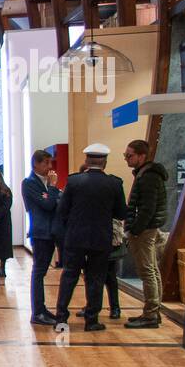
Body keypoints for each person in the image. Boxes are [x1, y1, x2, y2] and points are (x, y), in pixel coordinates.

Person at [52, 143, 128, 333]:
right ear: (105, 162)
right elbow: (120, 213)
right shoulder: (114, 183)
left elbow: (62, 210)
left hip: (75, 237)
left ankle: (61, 319)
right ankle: (92, 320)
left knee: (69, 276)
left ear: (86, 161)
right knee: (96, 278)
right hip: (100, 238)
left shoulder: (74, 181)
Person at [123, 139, 169, 329]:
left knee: (147, 271)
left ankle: (150, 314)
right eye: (125, 155)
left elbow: (147, 208)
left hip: (145, 229)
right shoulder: (146, 174)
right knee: (152, 269)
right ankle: (152, 311)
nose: (126, 159)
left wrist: (135, 229)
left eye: (129, 155)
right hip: (149, 227)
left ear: (142, 156)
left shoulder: (148, 176)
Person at [21, 150, 60, 325]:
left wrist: (51, 192)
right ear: (36, 164)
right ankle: (37, 312)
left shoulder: (45, 183)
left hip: (50, 232)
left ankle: (42, 308)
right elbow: (48, 204)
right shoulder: (29, 183)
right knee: (38, 272)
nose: (49, 167)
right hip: (40, 232)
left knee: (42, 272)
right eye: (46, 163)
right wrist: (52, 189)